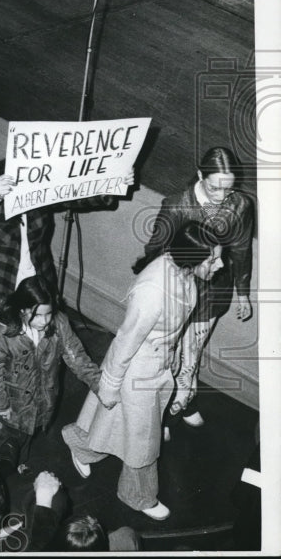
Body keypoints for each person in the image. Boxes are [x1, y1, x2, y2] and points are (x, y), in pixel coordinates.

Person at [62, 221, 223, 520]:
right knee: (143, 439)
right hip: (137, 369)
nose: (220, 264)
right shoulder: (152, 290)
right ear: (193, 257)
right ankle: (138, 495)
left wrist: (173, 355)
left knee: (119, 421)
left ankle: (81, 447)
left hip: (157, 364)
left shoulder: (183, 273)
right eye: (213, 258)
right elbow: (125, 342)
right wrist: (109, 386)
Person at [0, 160, 131, 384]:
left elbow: (76, 194)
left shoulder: (41, 187)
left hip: (34, 277)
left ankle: (23, 384)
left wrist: (115, 183)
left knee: (33, 337)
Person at [132, 146, 255, 428]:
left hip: (214, 288)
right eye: (215, 188)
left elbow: (241, 250)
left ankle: (187, 400)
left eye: (229, 189)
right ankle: (158, 419)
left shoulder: (240, 205)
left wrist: (243, 292)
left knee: (192, 355)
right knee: (167, 355)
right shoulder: (177, 205)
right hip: (177, 289)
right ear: (200, 175)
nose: (222, 197)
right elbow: (156, 250)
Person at [0, 276, 101, 475]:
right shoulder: (1, 333)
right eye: (37, 315)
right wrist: (1, 405)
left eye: (48, 314)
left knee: (27, 434)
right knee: (7, 436)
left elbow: (76, 356)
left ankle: (18, 462)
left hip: (42, 398)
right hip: (12, 403)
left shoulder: (58, 324)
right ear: (22, 310)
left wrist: (100, 385)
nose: (44, 321)